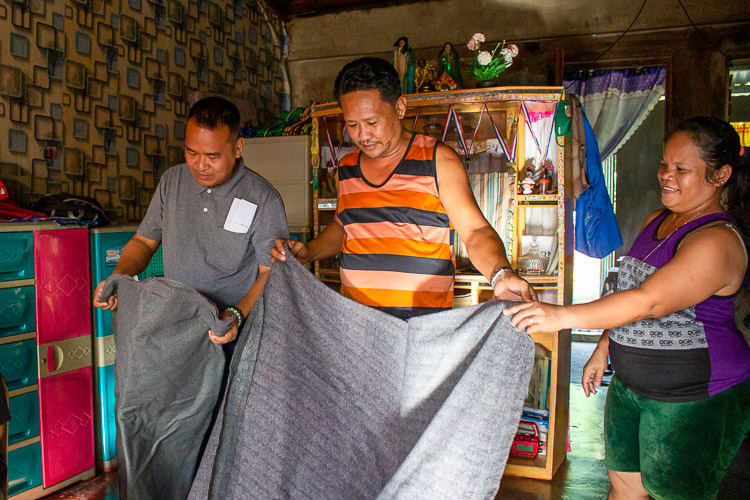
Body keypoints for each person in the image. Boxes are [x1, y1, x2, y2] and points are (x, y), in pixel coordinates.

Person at [505, 116, 750, 500]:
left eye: (682, 169)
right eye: (665, 164)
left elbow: (647, 301)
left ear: (720, 176)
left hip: (692, 396)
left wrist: (560, 316)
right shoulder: (658, 220)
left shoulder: (716, 241)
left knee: (676, 493)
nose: (666, 175)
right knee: (623, 487)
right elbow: (628, 286)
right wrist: (605, 346)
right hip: (631, 386)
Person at [272, 57, 536, 320]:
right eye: (352, 125)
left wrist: (500, 274)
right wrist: (310, 251)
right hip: (356, 321)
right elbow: (345, 225)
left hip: (420, 324)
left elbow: (475, 231)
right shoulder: (347, 166)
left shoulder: (438, 161)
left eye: (372, 123)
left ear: (399, 107)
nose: (362, 135)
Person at [92, 96, 289, 344]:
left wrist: (236, 315)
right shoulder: (172, 182)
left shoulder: (262, 198)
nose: (200, 165)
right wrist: (118, 276)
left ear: (238, 148)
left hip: (233, 330)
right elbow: (144, 242)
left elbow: (272, 272)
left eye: (213, 156)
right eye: (191, 152)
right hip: (177, 323)